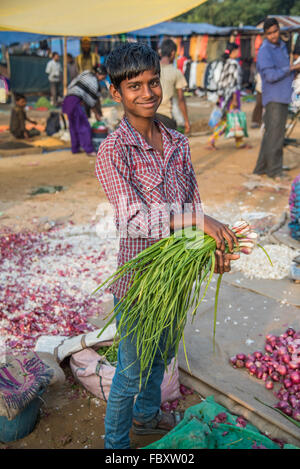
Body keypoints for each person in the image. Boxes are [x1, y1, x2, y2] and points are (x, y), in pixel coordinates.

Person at [95, 42, 240, 449]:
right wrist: (197, 220)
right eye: (134, 85)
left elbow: (194, 203)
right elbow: (133, 219)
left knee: (161, 356)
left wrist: (210, 247)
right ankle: (116, 446)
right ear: (116, 92)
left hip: (174, 280)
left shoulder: (177, 142)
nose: (147, 93)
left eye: (153, 82)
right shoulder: (113, 152)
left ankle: (146, 419)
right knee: (130, 372)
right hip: (140, 284)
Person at [253, 18, 300, 181]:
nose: (273, 35)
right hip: (274, 97)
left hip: (283, 95)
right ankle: (274, 170)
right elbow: (270, 76)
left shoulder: (281, 46)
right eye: (270, 33)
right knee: (276, 136)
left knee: (270, 135)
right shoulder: (265, 50)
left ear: (279, 30)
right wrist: (291, 68)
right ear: (265, 34)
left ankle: (260, 168)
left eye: (275, 31)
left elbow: (282, 71)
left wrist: (292, 70)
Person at [207, 43, 249, 150]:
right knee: (229, 119)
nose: (238, 53)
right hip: (232, 97)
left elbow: (220, 82)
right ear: (233, 52)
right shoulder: (235, 64)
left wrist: (219, 97)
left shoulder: (224, 64)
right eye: (236, 51)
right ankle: (212, 139)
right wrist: (235, 99)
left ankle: (239, 141)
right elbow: (235, 84)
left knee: (233, 118)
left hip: (224, 97)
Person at [62, 65, 105, 156]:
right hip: (75, 100)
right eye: (103, 76)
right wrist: (97, 114)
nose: (103, 78)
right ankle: (89, 150)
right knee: (83, 126)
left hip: (68, 99)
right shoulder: (93, 81)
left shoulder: (86, 73)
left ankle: (75, 148)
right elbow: (92, 101)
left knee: (73, 126)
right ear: (99, 73)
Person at [156, 39, 190, 134]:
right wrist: (186, 121)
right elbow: (181, 99)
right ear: (173, 53)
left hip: (150, 115)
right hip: (167, 117)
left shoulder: (152, 70)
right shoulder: (176, 73)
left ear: (160, 52)